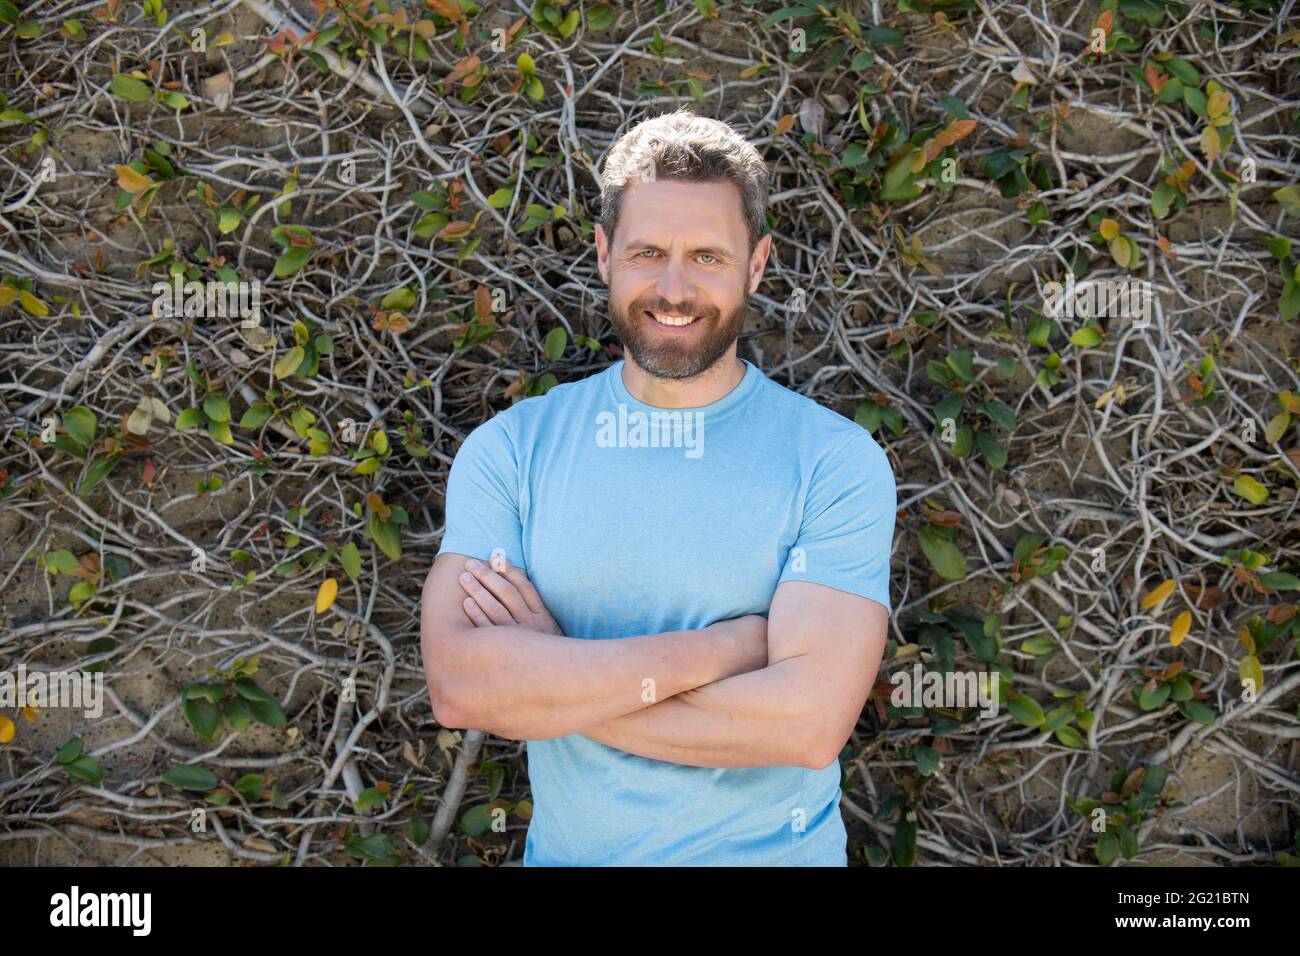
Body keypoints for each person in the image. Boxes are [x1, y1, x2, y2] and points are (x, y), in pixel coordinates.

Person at [420, 108, 897, 865]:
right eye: (648, 251)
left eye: (707, 256)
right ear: (606, 254)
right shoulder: (512, 452)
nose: (674, 289)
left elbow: (804, 727)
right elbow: (462, 687)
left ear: (758, 264)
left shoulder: (833, 462)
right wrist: (719, 651)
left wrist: (556, 676)